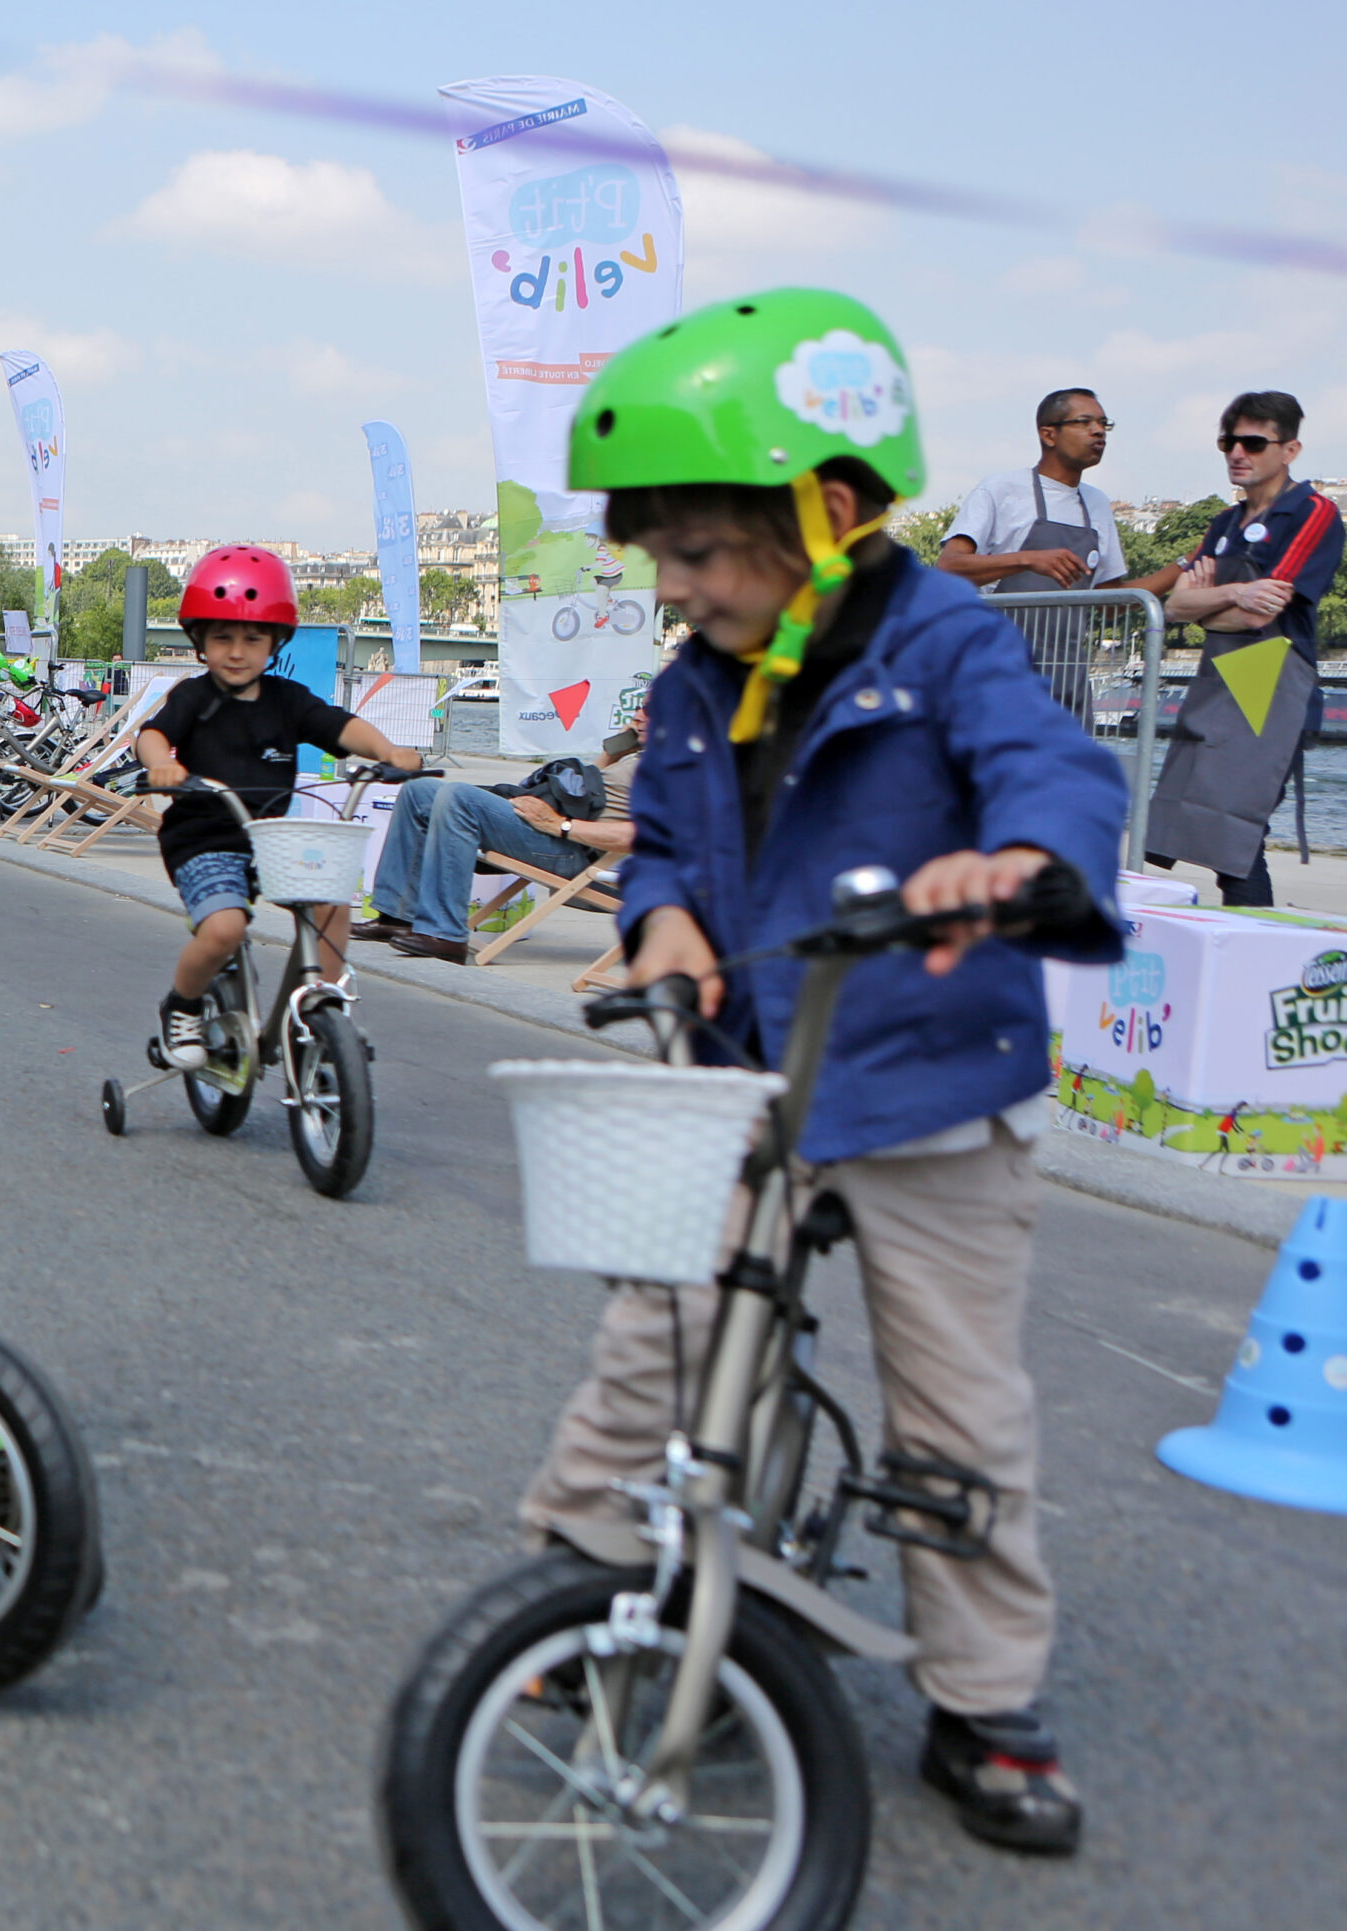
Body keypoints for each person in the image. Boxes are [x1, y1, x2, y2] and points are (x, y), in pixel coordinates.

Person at [530, 288, 1129, 1856]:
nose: (674, 581)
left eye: (699, 547)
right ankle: (582, 1590)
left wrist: (1019, 857)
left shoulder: (948, 641)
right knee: (653, 1335)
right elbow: (660, 843)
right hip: (748, 1066)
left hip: (930, 1074)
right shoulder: (689, 682)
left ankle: (987, 1698)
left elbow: (1058, 766)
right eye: (657, 550)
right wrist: (659, 922)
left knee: (956, 1405)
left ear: (836, 509)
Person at [138, 546, 420, 1070]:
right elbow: (153, 734)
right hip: (203, 839)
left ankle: (323, 1003)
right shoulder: (195, 697)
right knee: (223, 929)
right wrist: (162, 765)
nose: (237, 651)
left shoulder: (288, 699)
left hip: (271, 838)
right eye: (222, 637)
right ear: (199, 641)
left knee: (332, 902)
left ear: (275, 642)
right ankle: (181, 1006)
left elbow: (339, 726)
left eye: (252, 638)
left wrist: (387, 751)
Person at [1144, 392, 1344, 906]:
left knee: (1237, 834)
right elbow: (1173, 608)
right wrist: (1233, 592)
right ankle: (1252, 942)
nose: (1238, 453)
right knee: (1197, 819)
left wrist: (1208, 605)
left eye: (1254, 443)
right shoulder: (1223, 524)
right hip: (1221, 679)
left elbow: (1262, 614)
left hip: (1272, 683)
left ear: (1290, 449)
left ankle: (1255, 946)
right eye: (1228, 442)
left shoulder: (1313, 512)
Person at [351, 710, 642, 962]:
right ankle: (398, 916)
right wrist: (612, 754)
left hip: (577, 852)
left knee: (459, 797)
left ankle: (444, 933)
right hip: (555, 832)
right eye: (640, 709)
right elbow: (588, 791)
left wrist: (561, 825)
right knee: (419, 790)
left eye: (651, 711)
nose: (638, 716)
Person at [935, 389, 1180, 597]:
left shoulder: (1097, 503)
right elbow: (948, 568)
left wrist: (1187, 562)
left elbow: (1109, 601)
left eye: (1103, 424)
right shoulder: (1000, 490)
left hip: (1067, 654)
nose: (1098, 431)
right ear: (1048, 435)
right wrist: (1029, 559)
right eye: (1084, 422)